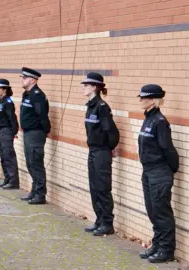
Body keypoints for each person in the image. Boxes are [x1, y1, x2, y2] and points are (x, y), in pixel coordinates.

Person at [137, 84, 178, 263]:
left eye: (144, 98)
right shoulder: (148, 119)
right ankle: (158, 244)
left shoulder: (160, 122)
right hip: (148, 171)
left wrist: (169, 169)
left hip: (159, 171)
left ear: (153, 100)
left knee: (162, 212)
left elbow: (167, 149)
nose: (141, 100)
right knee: (152, 210)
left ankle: (166, 250)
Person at [81, 72, 120, 236]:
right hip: (93, 151)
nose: (84, 87)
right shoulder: (90, 106)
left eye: (87, 85)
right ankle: (99, 219)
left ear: (95, 87)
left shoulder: (102, 107)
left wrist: (109, 148)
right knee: (94, 187)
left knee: (103, 188)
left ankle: (107, 223)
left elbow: (112, 131)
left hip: (101, 152)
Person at [19, 67, 51, 205]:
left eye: (24, 78)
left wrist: (43, 132)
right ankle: (34, 190)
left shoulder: (37, 95)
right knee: (30, 163)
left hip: (35, 133)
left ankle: (40, 194)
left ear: (32, 80)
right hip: (28, 133)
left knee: (36, 164)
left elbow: (42, 116)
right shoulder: (26, 94)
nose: (22, 80)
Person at [0, 79, 20, 189]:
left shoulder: (8, 102)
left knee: (9, 155)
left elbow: (12, 119)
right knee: (3, 155)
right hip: (0, 131)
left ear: (4, 89)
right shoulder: (1, 101)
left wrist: (13, 132)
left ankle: (14, 181)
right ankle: (7, 178)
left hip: (6, 131)